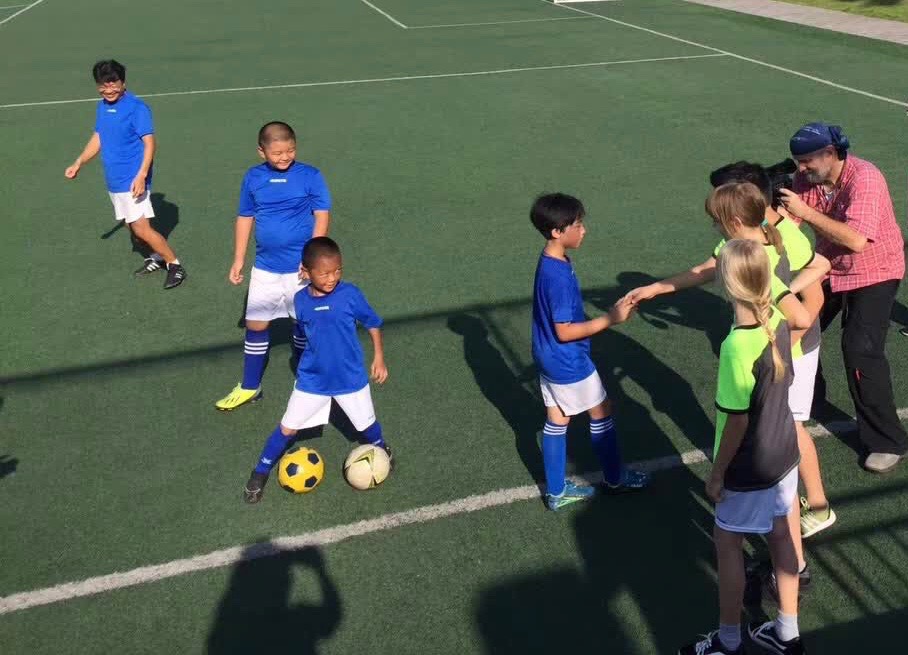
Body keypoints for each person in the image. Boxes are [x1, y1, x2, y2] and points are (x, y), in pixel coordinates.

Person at [626, 170, 835, 541]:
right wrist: (656, 288)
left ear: (735, 221)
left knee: (790, 426)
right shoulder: (735, 246)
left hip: (790, 350)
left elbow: (812, 295)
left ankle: (817, 507)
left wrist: (782, 346)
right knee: (774, 427)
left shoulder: (782, 240)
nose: (714, 227)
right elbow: (705, 270)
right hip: (766, 348)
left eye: (717, 221)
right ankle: (783, 511)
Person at [679, 239, 804, 655]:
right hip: (784, 454)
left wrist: (717, 474)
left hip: (750, 466)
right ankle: (787, 634)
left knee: (728, 543)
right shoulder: (777, 318)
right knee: (781, 535)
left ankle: (728, 641)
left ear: (728, 284)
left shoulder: (736, 346)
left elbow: (737, 421)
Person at [780, 122, 907, 473]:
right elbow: (789, 225)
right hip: (827, 265)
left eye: (807, 161)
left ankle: (887, 442)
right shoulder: (807, 178)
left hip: (876, 270)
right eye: (797, 161)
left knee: (860, 349)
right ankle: (809, 398)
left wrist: (804, 212)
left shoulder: (865, 178)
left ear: (830, 153)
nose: (800, 168)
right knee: (792, 323)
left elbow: (855, 240)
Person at [243, 237, 388, 503]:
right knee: (287, 428)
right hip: (312, 381)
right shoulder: (300, 300)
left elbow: (373, 323)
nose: (332, 278)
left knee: (367, 426)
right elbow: (305, 331)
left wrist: (378, 358)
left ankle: (382, 449)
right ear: (306, 271)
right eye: (324, 273)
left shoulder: (350, 295)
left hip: (350, 378)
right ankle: (260, 471)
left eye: (337, 271)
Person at [529, 192, 648, 512]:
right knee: (601, 410)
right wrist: (612, 318)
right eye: (578, 225)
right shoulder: (557, 276)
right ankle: (615, 479)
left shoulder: (551, 259)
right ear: (557, 231)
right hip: (567, 360)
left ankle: (556, 491)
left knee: (557, 418)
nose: (584, 230)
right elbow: (564, 330)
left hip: (547, 355)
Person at [215, 121, 331, 411]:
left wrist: (312, 258)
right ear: (261, 151)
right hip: (265, 268)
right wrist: (239, 259)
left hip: (300, 269)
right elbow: (245, 217)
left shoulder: (310, 175)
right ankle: (250, 386)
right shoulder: (253, 178)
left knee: (302, 323)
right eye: (277, 153)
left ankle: (308, 380)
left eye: (290, 150)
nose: (284, 157)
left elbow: (321, 215)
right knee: (256, 324)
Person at [64, 60, 186, 289]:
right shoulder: (102, 107)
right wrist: (79, 162)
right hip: (114, 178)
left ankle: (174, 265)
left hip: (133, 179)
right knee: (130, 224)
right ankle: (157, 257)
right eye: (103, 85)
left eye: (113, 84)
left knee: (141, 228)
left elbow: (150, 143)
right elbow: (98, 137)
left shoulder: (137, 108)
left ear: (123, 82)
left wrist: (141, 175)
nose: (108, 90)